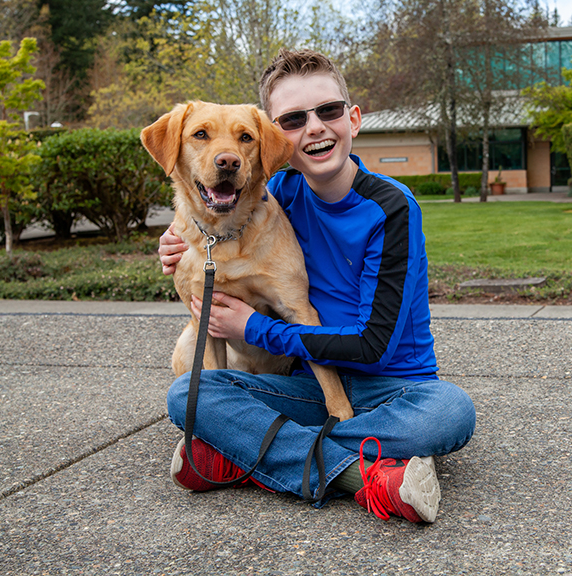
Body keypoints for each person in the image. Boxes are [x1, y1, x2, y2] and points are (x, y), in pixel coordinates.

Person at [158, 48, 476, 523]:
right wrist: (176, 238)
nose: (315, 127)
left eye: (328, 111)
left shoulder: (392, 207)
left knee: (451, 411)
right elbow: (213, 216)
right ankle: (363, 473)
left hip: (392, 389)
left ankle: (243, 457)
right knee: (187, 396)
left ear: (353, 119)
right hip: (306, 386)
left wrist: (253, 327)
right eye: (293, 118)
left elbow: (371, 346)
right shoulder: (273, 194)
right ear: (277, 139)